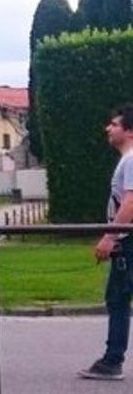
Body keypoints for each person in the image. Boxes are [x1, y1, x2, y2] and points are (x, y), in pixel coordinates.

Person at [78, 104, 133, 380]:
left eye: (114, 124)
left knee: (118, 299)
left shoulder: (132, 159)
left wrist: (110, 237)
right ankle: (112, 359)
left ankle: (112, 361)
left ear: (129, 131)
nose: (108, 128)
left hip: (129, 239)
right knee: (118, 298)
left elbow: (131, 202)